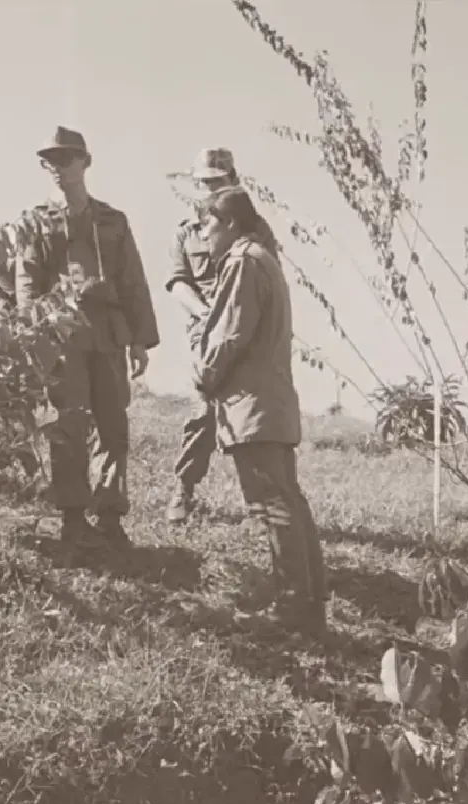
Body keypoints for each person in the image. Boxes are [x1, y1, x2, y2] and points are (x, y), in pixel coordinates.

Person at [12, 126, 159, 553]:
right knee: (70, 424)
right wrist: (32, 332)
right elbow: (27, 279)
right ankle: (73, 517)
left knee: (113, 425)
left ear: (85, 162)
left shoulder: (113, 220)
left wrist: (139, 340)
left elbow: (132, 279)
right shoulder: (35, 221)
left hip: (109, 330)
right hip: (62, 332)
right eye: (51, 161)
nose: (59, 168)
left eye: (67, 159)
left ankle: (110, 515)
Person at [192, 185, 326, 635]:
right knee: (288, 502)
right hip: (269, 403)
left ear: (229, 223)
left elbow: (230, 333)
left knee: (274, 507)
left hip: (254, 405)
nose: (202, 234)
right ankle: (308, 606)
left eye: (207, 224)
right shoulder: (262, 258)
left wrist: (204, 375)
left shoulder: (243, 261)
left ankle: (293, 610)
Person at [165, 148, 279, 523]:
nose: (211, 189)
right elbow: (178, 283)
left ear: (233, 180)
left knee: (249, 415)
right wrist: (208, 316)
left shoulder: (255, 229)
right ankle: (183, 491)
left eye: (219, 182)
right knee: (203, 411)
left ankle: (259, 504)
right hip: (206, 331)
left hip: (248, 329)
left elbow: (266, 278)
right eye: (205, 183)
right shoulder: (186, 233)